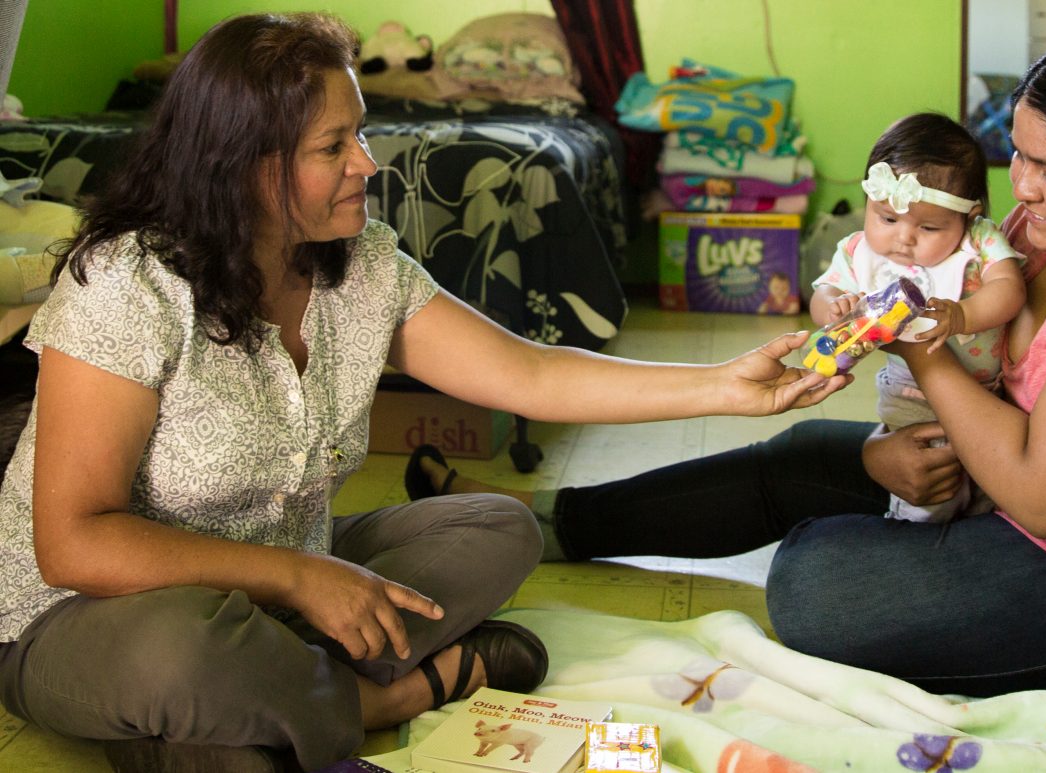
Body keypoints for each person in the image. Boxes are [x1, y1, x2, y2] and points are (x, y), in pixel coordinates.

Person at [0, 13, 847, 772]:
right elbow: (74, 545)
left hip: (284, 586)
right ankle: (380, 698)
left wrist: (726, 386)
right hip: (91, 617)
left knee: (496, 525)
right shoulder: (126, 282)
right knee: (179, 655)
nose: (368, 164)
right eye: (334, 147)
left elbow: (531, 374)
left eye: (359, 135)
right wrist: (299, 579)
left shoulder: (360, 264)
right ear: (243, 166)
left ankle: (260, 704)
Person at [408, 31, 1046, 709]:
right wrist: (890, 419)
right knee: (808, 455)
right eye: (1016, 156)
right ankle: (551, 523)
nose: (1023, 191)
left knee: (819, 583)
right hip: (1007, 492)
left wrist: (918, 350)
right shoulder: (1038, 234)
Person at [809, 113, 1024, 522]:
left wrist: (962, 314)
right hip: (910, 396)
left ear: (968, 215)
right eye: (887, 219)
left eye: (927, 226)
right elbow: (824, 291)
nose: (903, 238)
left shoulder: (979, 240)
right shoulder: (859, 251)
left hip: (989, 396)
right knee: (932, 491)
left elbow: (1009, 289)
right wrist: (835, 308)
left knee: (986, 491)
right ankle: (915, 536)